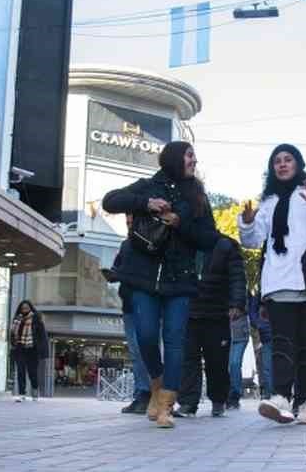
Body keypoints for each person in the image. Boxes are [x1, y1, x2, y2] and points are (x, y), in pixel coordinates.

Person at [103, 141, 220, 429]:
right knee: (144, 336)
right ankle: (156, 385)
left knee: (175, 340)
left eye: (194, 155)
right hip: (143, 277)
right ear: (174, 158)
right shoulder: (147, 186)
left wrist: (180, 222)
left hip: (180, 280)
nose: (194, 160)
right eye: (190, 155)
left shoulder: (198, 197)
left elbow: (209, 238)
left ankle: (166, 404)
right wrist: (146, 203)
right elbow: (110, 200)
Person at [239, 144, 306, 425]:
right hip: (278, 280)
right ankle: (281, 397)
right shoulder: (268, 200)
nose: (282, 165)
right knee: (283, 341)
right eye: (277, 161)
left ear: (298, 163)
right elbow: (251, 241)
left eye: (288, 159)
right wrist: (248, 223)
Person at [174, 237, 247, 418]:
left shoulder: (226, 245)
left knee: (217, 360)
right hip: (187, 310)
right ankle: (188, 403)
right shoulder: (182, 242)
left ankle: (218, 400)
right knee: (188, 359)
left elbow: (237, 277)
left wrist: (236, 303)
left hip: (217, 312)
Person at [105, 217, 152, 415]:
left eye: (133, 222)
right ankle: (142, 393)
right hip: (130, 305)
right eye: (128, 222)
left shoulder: (153, 244)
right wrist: (114, 274)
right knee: (135, 352)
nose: (130, 225)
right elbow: (119, 268)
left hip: (149, 304)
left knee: (149, 350)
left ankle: (154, 393)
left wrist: (122, 275)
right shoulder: (125, 246)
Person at [10, 300, 49, 402]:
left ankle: (35, 392)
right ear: (20, 309)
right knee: (20, 371)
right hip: (20, 348)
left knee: (32, 373)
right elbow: (12, 334)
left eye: (27, 307)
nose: (25, 310)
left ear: (30, 308)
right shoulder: (17, 319)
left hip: (32, 349)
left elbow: (42, 335)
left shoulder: (36, 318)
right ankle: (22, 394)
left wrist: (43, 350)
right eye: (23, 308)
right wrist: (12, 343)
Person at [226, 293, 251, 410]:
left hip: (240, 334)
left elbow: (250, 307)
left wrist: (238, 309)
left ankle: (234, 396)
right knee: (224, 365)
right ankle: (224, 395)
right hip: (224, 333)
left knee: (235, 363)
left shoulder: (241, 288)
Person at [248, 292, 273, 398]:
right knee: (267, 367)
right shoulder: (260, 294)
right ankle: (269, 393)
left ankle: (279, 393)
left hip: (283, 334)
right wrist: (259, 324)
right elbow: (252, 311)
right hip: (267, 336)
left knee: (279, 365)